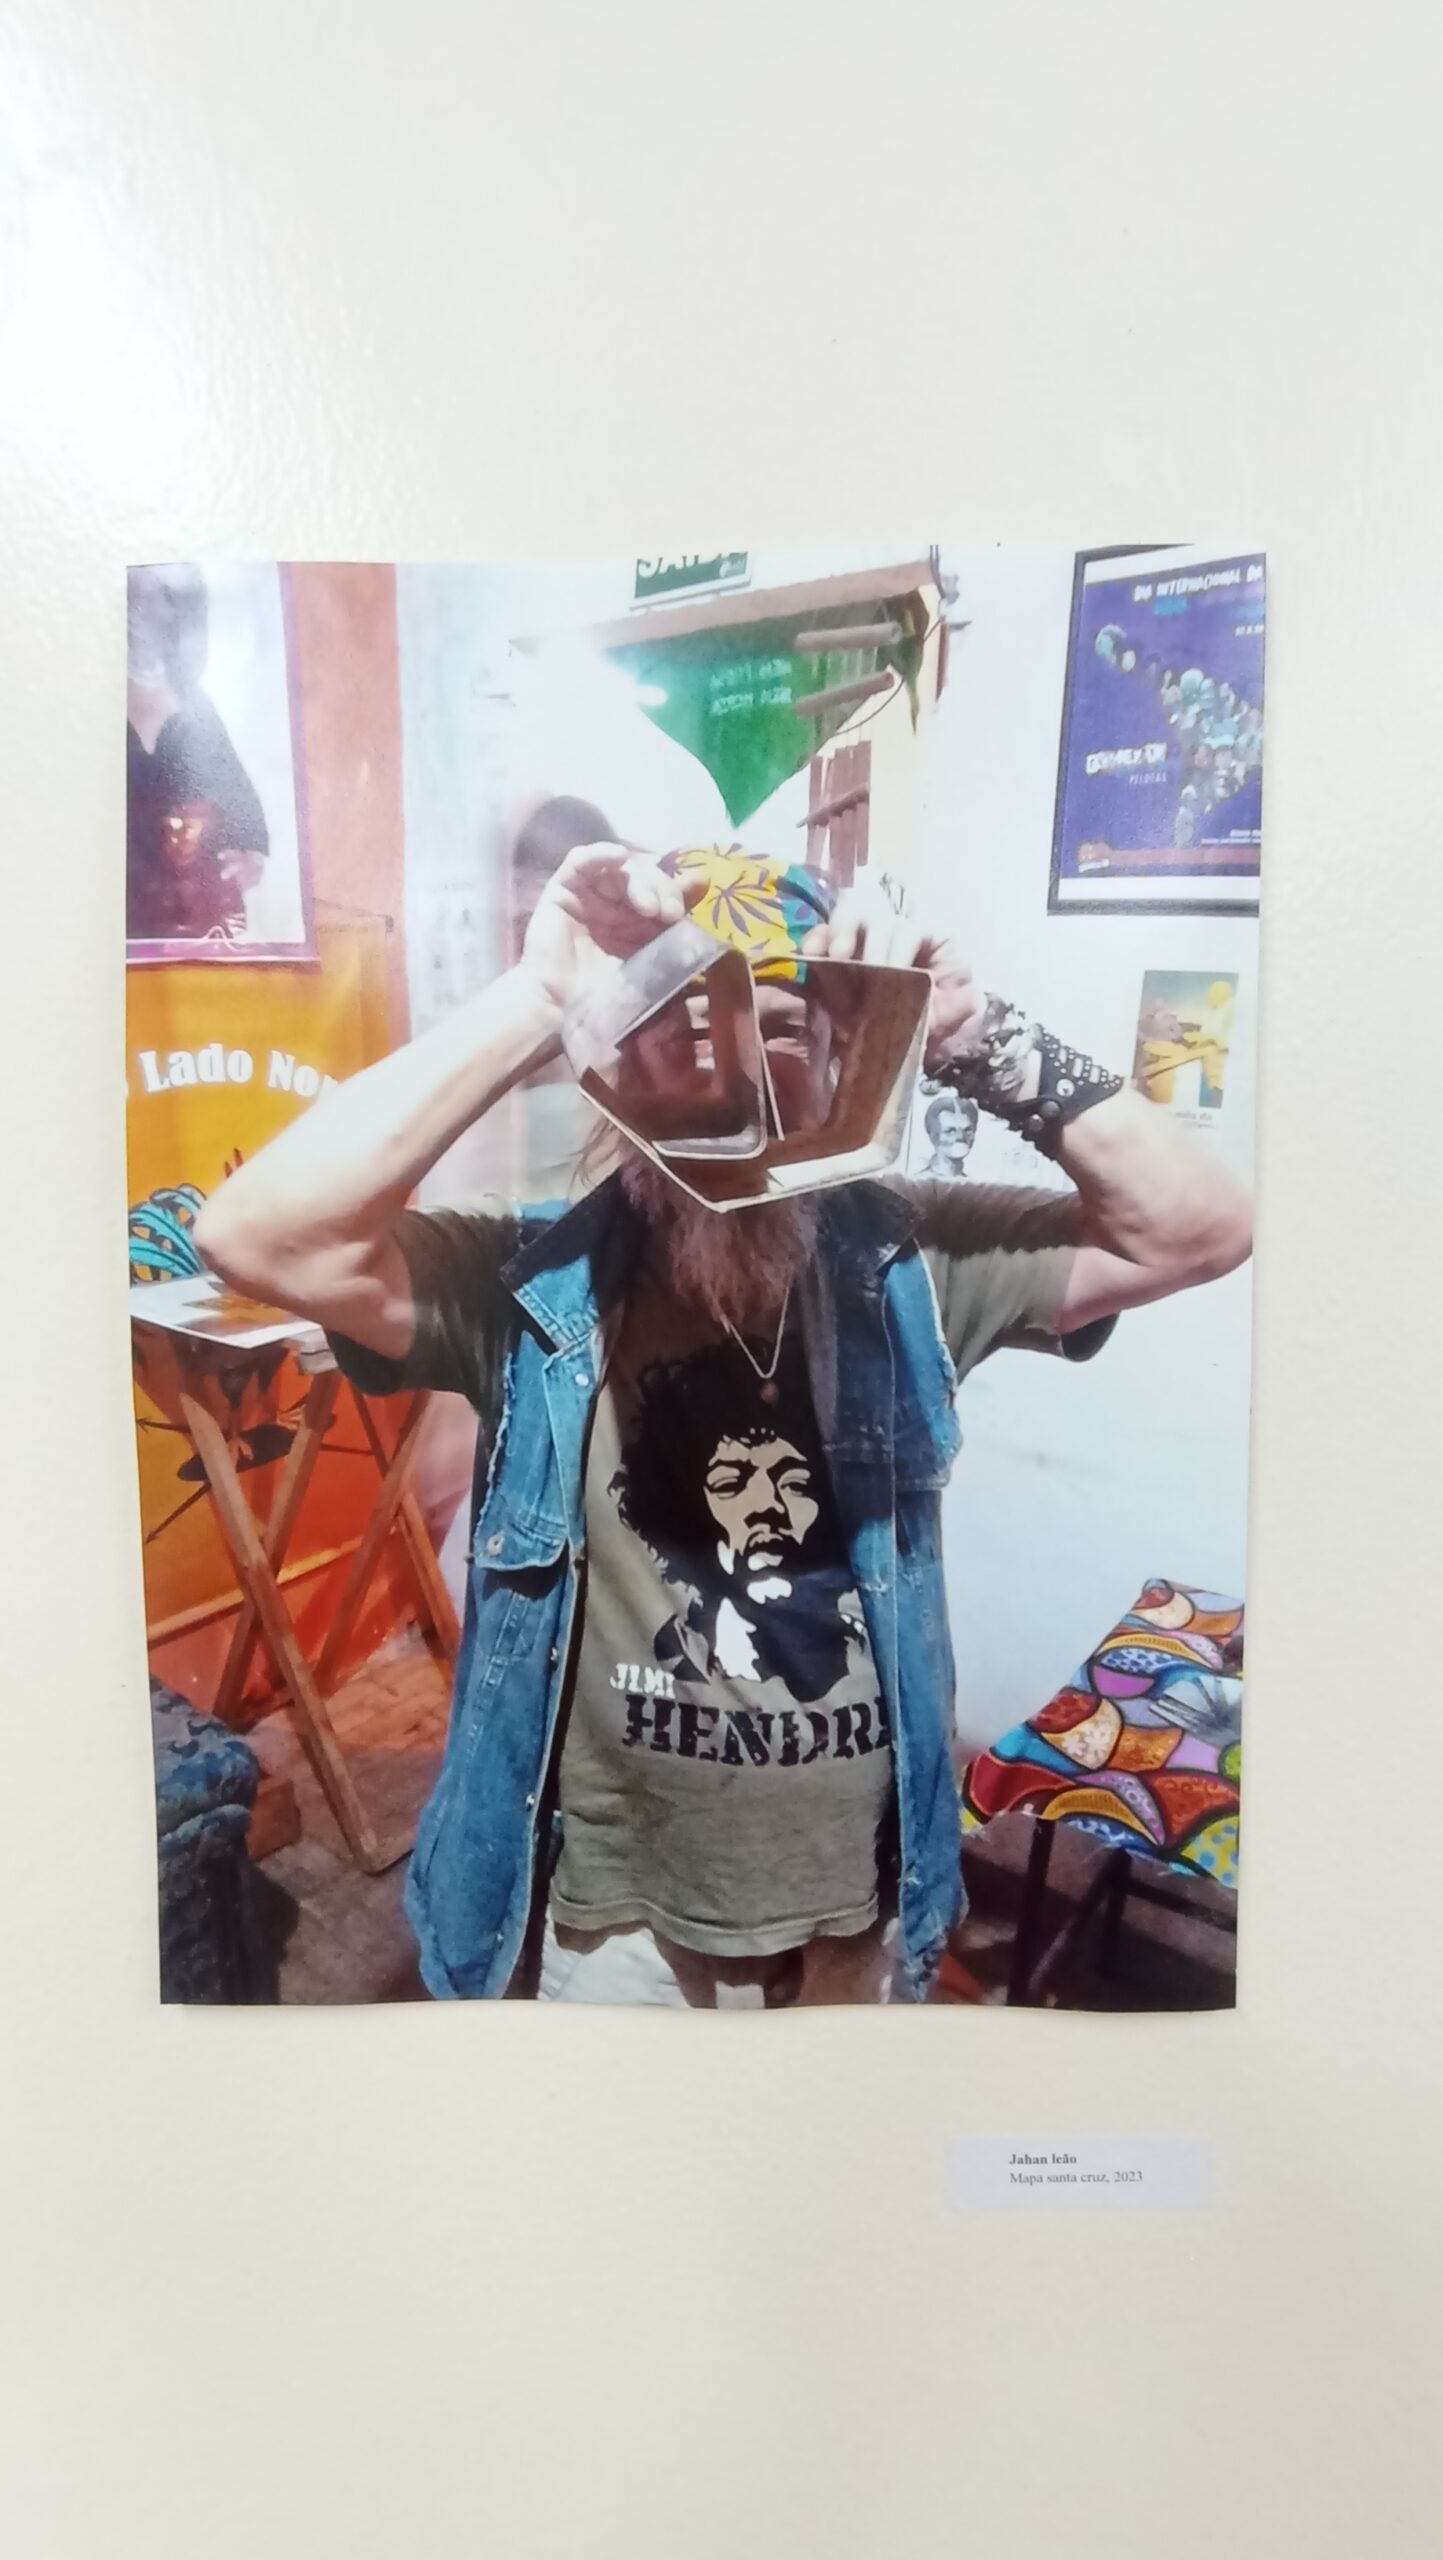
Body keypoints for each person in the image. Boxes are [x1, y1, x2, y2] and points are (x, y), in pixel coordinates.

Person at [194, 844, 1252, 2007]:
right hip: (614, 1923)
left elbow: (1199, 1228)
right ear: (615, 1047)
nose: (732, 1071)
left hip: (863, 1906)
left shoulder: (917, 1258)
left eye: (782, 1029)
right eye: (682, 1024)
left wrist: (972, 1033)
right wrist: (538, 997)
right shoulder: (528, 1278)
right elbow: (259, 1235)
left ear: (844, 1056)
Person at [127, 564, 270, 946]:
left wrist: (251, 857)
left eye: (157, 596)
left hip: (199, 926)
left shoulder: (197, 710)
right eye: (132, 594)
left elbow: (239, 802)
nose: (141, 611)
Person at [919, 1082, 979, 1179]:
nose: (960, 1137)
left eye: (967, 1130)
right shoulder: (916, 1182)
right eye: (951, 1131)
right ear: (933, 1135)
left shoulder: (975, 1185)